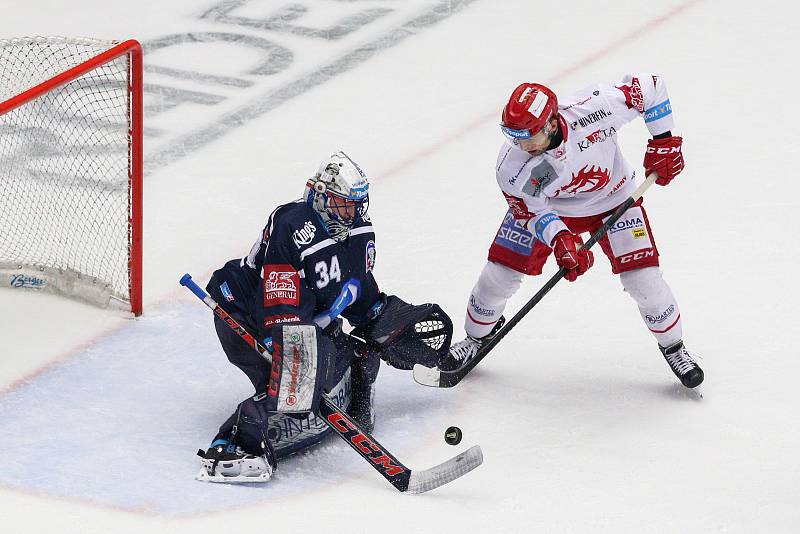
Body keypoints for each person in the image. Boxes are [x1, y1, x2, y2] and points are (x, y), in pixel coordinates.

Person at [197, 151, 453, 483]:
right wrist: (296, 362)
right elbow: (280, 306)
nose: (351, 212)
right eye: (343, 203)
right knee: (301, 376)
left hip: (302, 317)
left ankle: (340, 408)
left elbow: (355, 290)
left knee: (359, 356)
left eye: (356, 204)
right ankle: (235, 443)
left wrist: (385, 320)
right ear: (319, 195)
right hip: (245, 314)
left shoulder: (359, 232)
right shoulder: (291, 226)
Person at [437, 75, 703, 390]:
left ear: (550, 124)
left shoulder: (596, 107)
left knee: (643, 281)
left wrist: (663, 141)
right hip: (551, 212)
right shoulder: (512, 167)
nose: (519, 145)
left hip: (613, 200)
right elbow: (532, 212)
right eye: (511, 135)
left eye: (525, 135)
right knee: (498, 276)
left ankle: (673, 346)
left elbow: (651, 88)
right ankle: (475, 338)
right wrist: (561, 239)